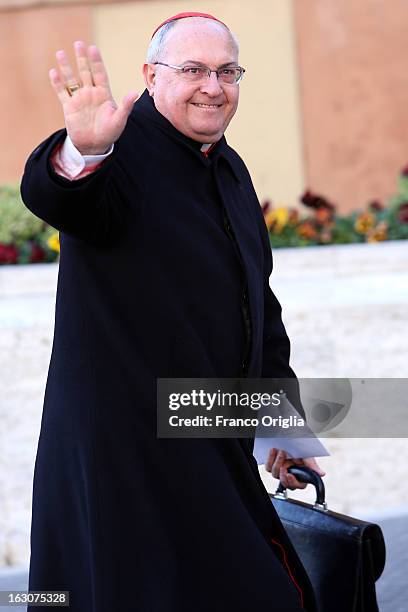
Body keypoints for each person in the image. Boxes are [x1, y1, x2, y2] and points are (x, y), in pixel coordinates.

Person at [21, 12, 325, 612]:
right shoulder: (118, 153)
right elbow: (58, 196)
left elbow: (256, 308)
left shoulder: (228, 168)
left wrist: (279, 426)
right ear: (151, 77)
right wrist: (84, 149)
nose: (213, 86)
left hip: (207, 438)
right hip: (128, 460)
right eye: (192, 70)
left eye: (227, 72)